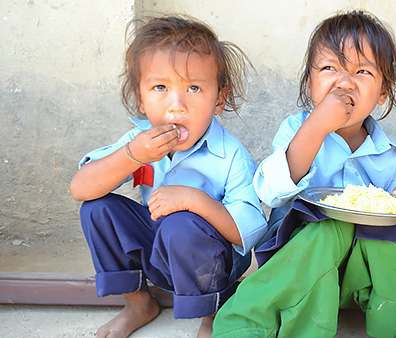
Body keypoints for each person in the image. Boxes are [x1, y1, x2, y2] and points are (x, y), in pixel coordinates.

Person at [213, 10, 396, 338]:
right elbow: (270, 192)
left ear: (382, 92)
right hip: (303, 264)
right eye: (329, 68)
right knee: (323, 231)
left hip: (363, 273)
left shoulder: (389, 155)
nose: (344, 82)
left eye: (362, 71)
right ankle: (252, 321)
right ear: (309, 84)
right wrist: (317, 126)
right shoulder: (297, 130)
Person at [69, 15, 267, 338]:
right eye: (160, 87)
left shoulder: (231, 155)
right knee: (96, 208)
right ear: (140, 97)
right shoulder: (138, 140)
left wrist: (193, 200)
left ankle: (212, 316)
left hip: (210, 262)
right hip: (158, 249)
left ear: (219, 99)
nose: (177, 106)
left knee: (180, 225)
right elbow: (80, 188)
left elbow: (247, 233)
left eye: (193, 87)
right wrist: (132, 155)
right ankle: (138, 304)